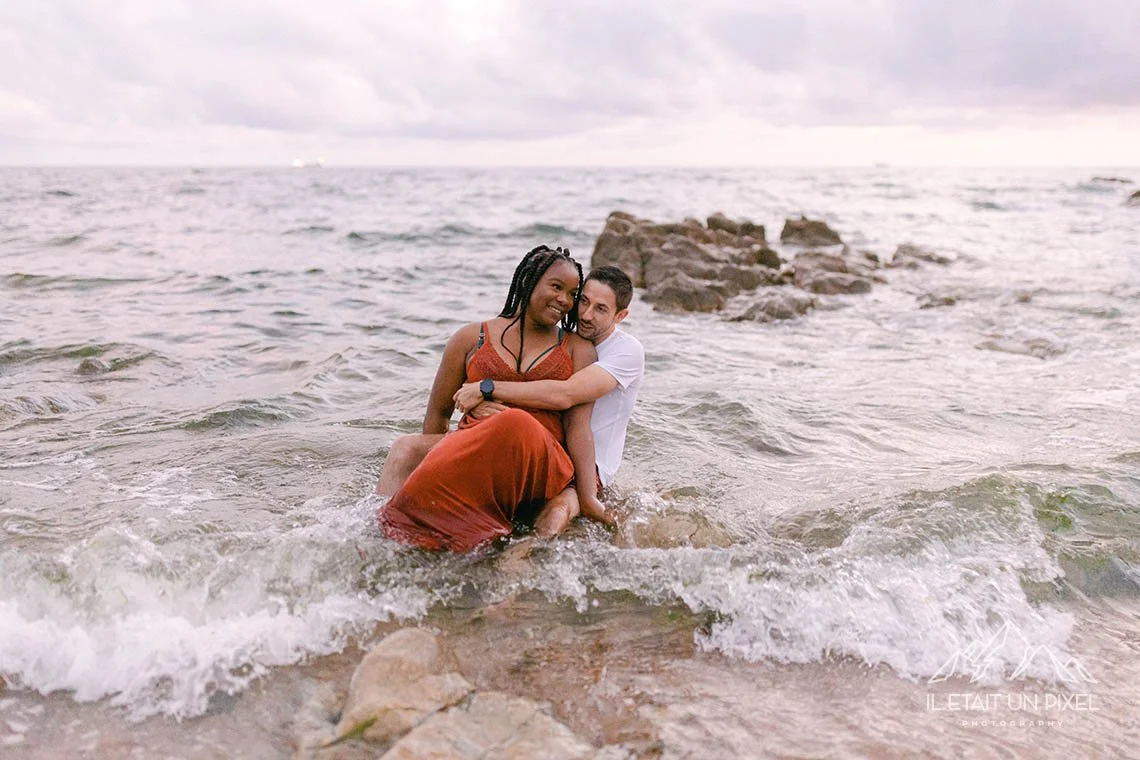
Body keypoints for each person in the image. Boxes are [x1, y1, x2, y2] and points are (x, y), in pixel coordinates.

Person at [377, 264, 644, 539]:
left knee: (554, 513)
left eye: (600, 309)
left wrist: (486, 388)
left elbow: (566, 395)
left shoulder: (620, 351)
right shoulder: (480, 336)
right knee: (405, 447)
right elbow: (440, 414)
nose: (584, 313)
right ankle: (381, 527)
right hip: (520, 444)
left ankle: (518, 560)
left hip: (583, 466)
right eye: (583, 301)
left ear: (620, 315)